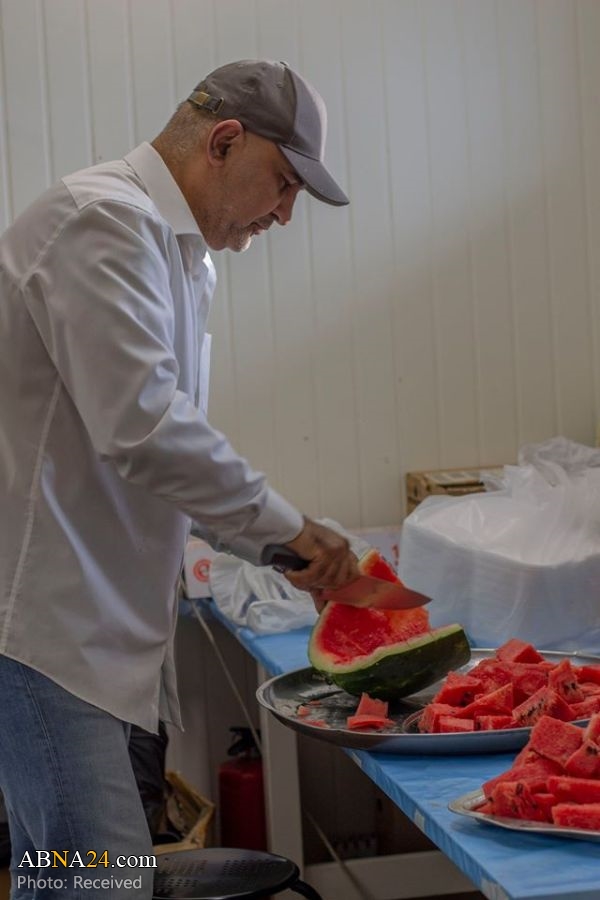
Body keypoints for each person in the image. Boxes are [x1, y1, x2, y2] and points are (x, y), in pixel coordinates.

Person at [0, 58, 357, 898]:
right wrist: (291, 530)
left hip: (103, 629)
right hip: (49, 635)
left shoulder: (184, 256)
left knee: (65, 873)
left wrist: (277, 550)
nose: (285, 213)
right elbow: (148, 431)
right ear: (224, 141)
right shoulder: (100, 222)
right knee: (97, 882)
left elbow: (159, 457)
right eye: (283, 184)